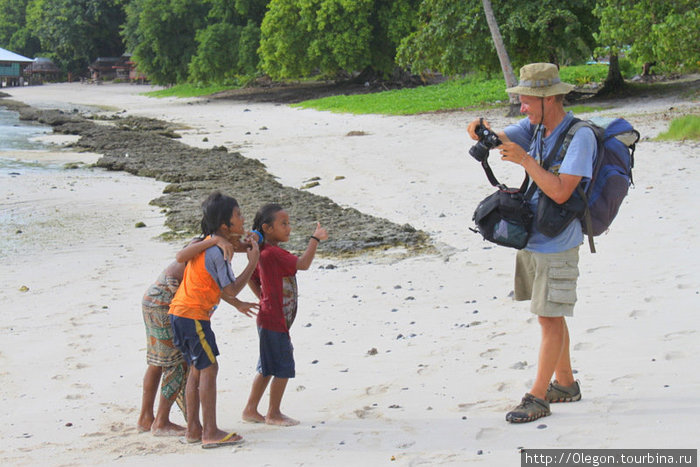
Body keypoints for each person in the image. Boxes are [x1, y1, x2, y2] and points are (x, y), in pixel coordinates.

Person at [467, 63, 596, 423]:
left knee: (550, 317)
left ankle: (538, 397)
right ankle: (566, 383)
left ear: (547, 99)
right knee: (549, 315)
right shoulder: (535, 126)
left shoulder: (579, 136)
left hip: (558, 242)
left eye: (525, 101)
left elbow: (559, 191)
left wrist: (525, 159)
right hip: (535, 237)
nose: (521, 107)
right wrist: (481, 132)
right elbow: (501, 138)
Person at [169, 191, 260, 448]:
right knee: (209, 369)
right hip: (194, 316)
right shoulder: (216, 250)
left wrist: (251, 244)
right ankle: (210, 431)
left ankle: (194, 430)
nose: (243, 219)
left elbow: (235, 251)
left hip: (180, 314)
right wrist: (252, 263)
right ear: (224, 224)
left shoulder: (211, 243)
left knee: (197, 370)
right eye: (238, 216)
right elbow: (229, 289)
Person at [137, 235, 235, 436]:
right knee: (177, 363)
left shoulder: (207, 245)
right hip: (166, 304)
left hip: (153, 299)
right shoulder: (202, 246)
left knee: (157, 362)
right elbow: (183, 261)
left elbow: (214, 285)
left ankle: (146, 418)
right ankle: (161, 422)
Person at [241, 203, 328, 426]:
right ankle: (273, 413)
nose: (288, 228)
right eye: (283, 224)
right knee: (283, 366)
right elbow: (304, 264)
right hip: (274, 320)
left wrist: (263, 296)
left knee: (267, 367)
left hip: (269, 316)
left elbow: (252, 277)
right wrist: (315, 239)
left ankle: (251, 409)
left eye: (288, 223)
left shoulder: (264, 253)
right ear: (267, 228)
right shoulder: (273, 253)